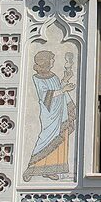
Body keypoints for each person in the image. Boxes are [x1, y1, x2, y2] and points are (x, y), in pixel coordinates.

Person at [23, 50, 76, 181]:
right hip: (49, 114)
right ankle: (32, 167)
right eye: (51, 59)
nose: (53, 61)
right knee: (46, 138)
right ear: (45, 61)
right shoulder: (37, 78)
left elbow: (58, 88)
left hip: (59, 112)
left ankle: (51, 169)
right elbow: (46, 96)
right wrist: (63, 89)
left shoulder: (53, 76)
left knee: (60, 137)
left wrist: (65, 80)